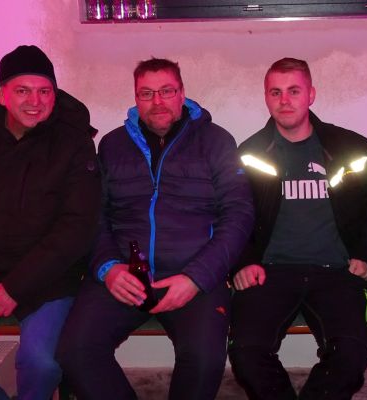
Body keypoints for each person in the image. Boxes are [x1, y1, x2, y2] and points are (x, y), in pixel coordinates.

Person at [57, 58, 254, 400]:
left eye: (166, 91)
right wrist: (108, 268)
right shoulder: (112, 145)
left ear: (182, 94)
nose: (157, 101)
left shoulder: (216, 141)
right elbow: (94, 215)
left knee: (204, 361)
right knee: (75, 352)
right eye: (146, 93)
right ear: (136, 98)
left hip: (194, 275)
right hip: (124, 274)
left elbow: (239, 215)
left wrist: (196, 277)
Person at [0, 45, 101, 400]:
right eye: (23, 90)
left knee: (41, 363)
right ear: (1, 94)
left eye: (45, 91)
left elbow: (77, 226)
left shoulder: (74, 144)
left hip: (49, 278)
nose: (35, 101)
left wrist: (16, 286)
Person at [228, 58, 367, 400]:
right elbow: (234, 216)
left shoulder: (352, 148)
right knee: (246, 353)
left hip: (338, 271)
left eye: (294, 91)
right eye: (275, 92)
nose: (284, 100)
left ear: (311, 94)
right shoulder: (249, 153)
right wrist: (243, 262)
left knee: (351, 353)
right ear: (266, 97)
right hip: (270, 272)